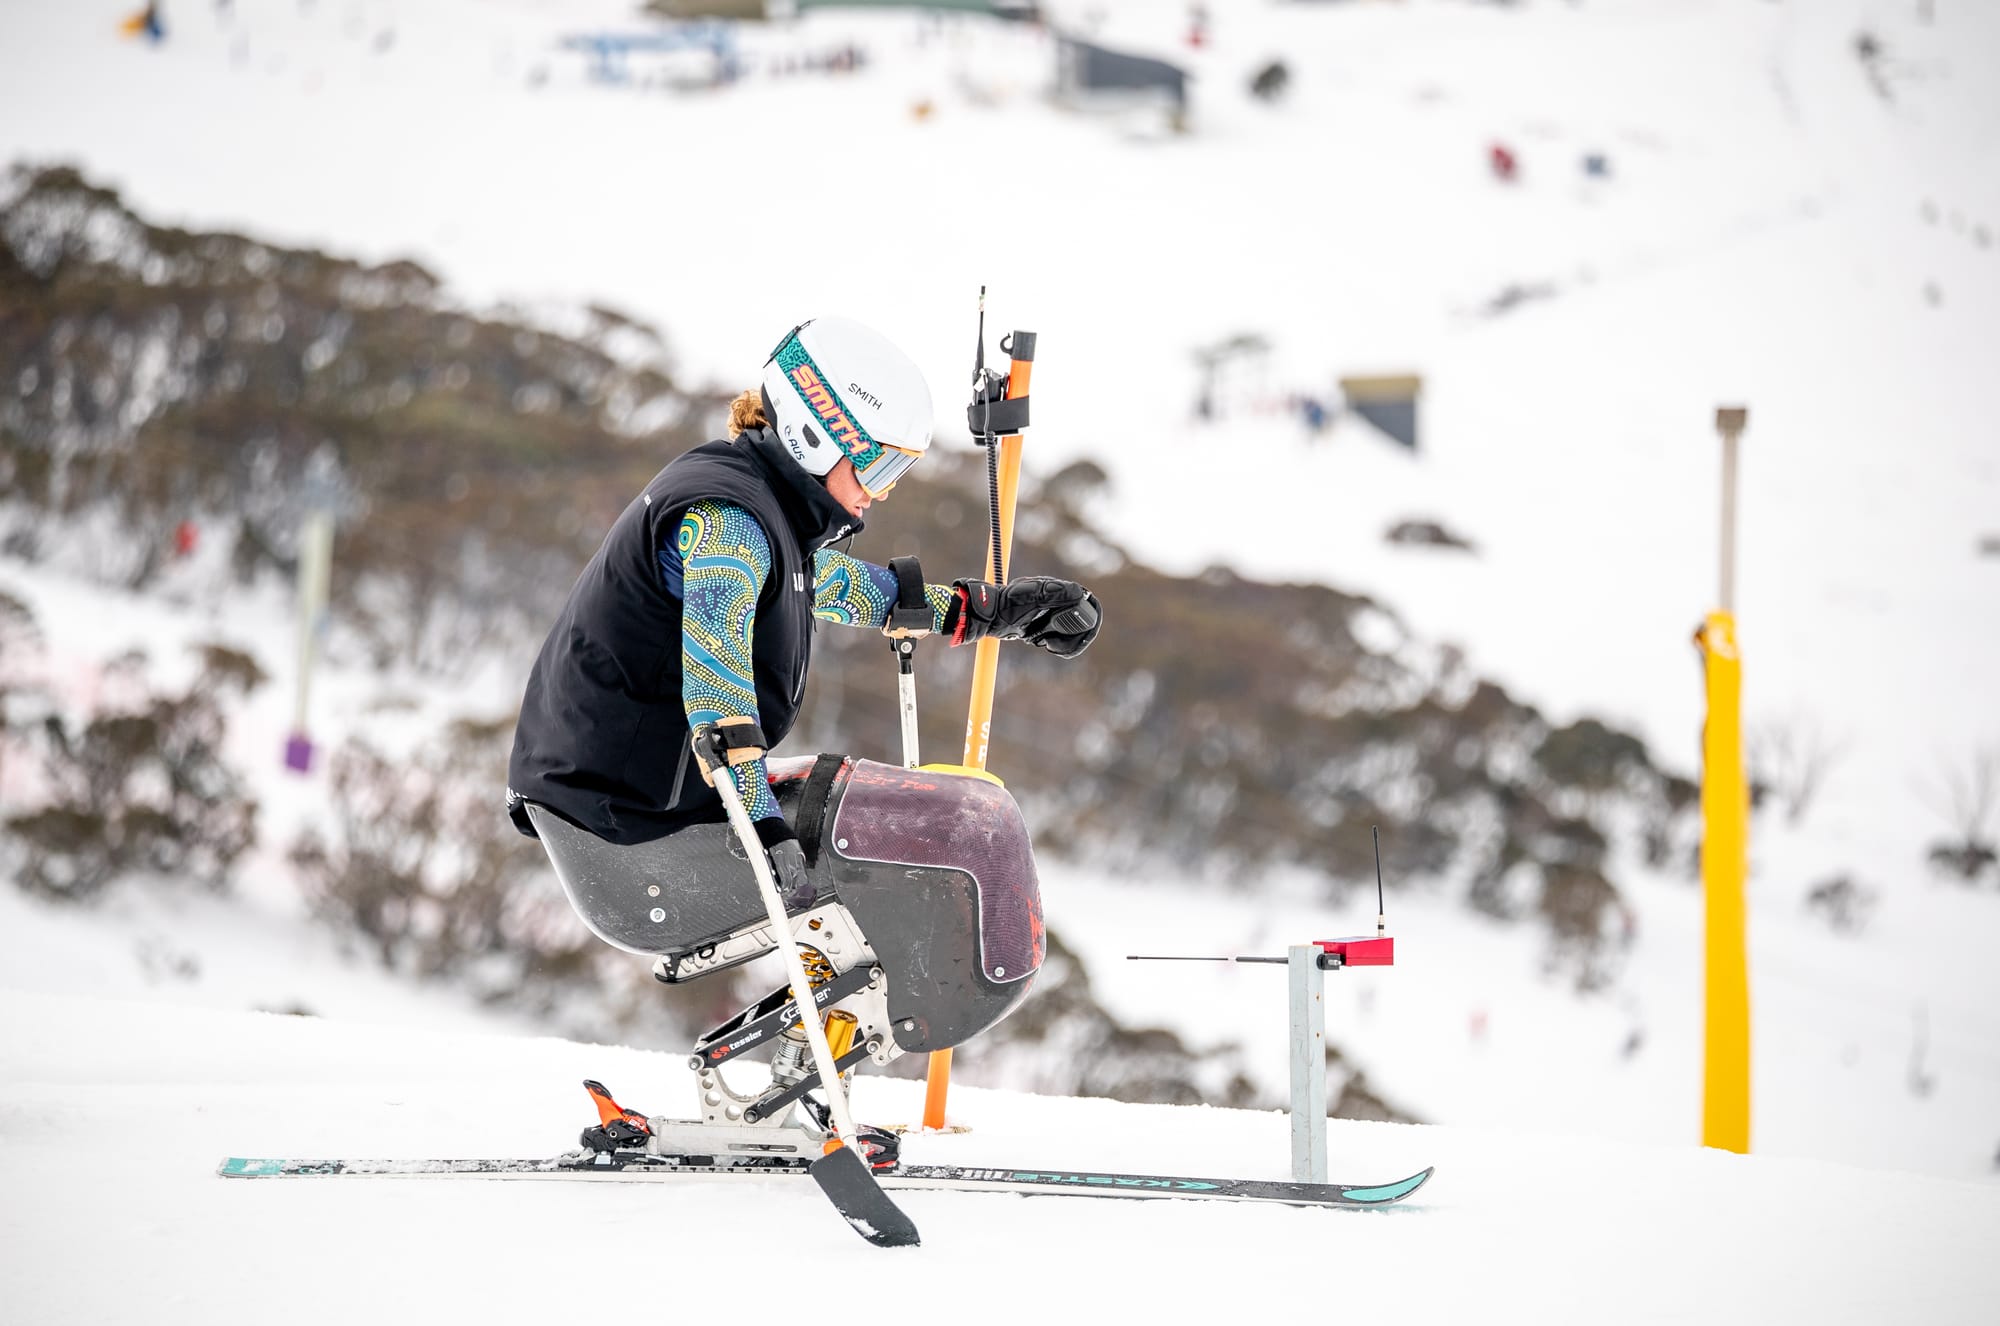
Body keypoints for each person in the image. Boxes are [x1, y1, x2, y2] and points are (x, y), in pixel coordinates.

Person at [506, 315, 1101, 916]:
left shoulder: (757, 511)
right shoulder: (728, 524)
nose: (884, 492)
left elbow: (838, 586)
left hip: (638, 797)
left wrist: (990, 612)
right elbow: (720, 704)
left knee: (867, 818)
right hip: (623, 824)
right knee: (883, 844)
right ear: (817, 436)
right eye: (878, 468)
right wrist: (767, 830)